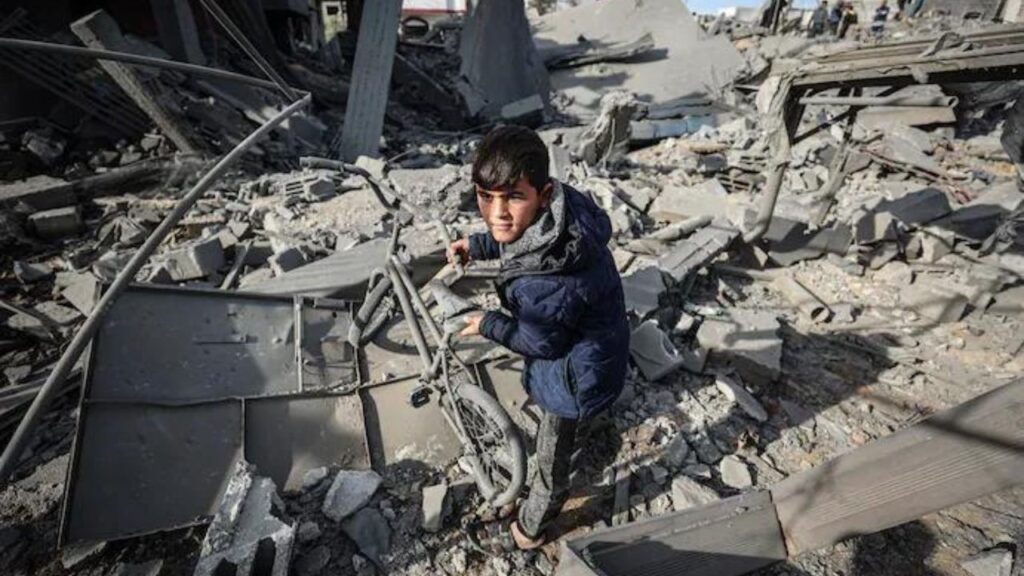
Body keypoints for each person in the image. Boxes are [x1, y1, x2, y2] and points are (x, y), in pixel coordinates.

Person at [450, 126, 629, 550]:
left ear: (543, 195)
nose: (497, 213)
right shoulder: (565, 212)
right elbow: (520, 238)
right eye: (485, 197)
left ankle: (531, 527)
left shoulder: (547, 284)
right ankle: (593, 427)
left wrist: (488, 323)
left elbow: (541, 344)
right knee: (570, 428)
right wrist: (477, 245)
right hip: (598, 348)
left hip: (572, 378)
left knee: (550, 458)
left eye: (512, 197)